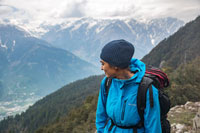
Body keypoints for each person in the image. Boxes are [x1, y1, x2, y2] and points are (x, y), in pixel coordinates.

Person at [96, 39, 161, 133]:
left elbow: (153, 127)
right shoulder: (107, 83)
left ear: (115, 66)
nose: (101, 68)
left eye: (103, 64)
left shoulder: (146, 89)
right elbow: (101, 116)